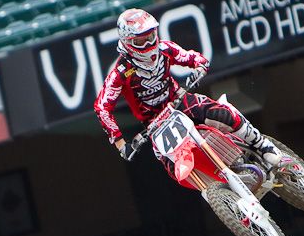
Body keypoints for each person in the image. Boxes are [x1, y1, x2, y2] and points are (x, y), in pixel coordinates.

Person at [93, 9, 279, 175]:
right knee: (172, 167)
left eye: (151, 36)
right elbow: (102, 107)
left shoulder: (165, 48)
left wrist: (198, 69)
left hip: (179, 100)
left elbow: (194, 58)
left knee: (220, 114)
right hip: (155, 123)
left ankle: (263, 145)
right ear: (127, 42)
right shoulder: (121, 72)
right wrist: (121, 145)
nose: (149, 43)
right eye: (141, 40)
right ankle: (220, 191)